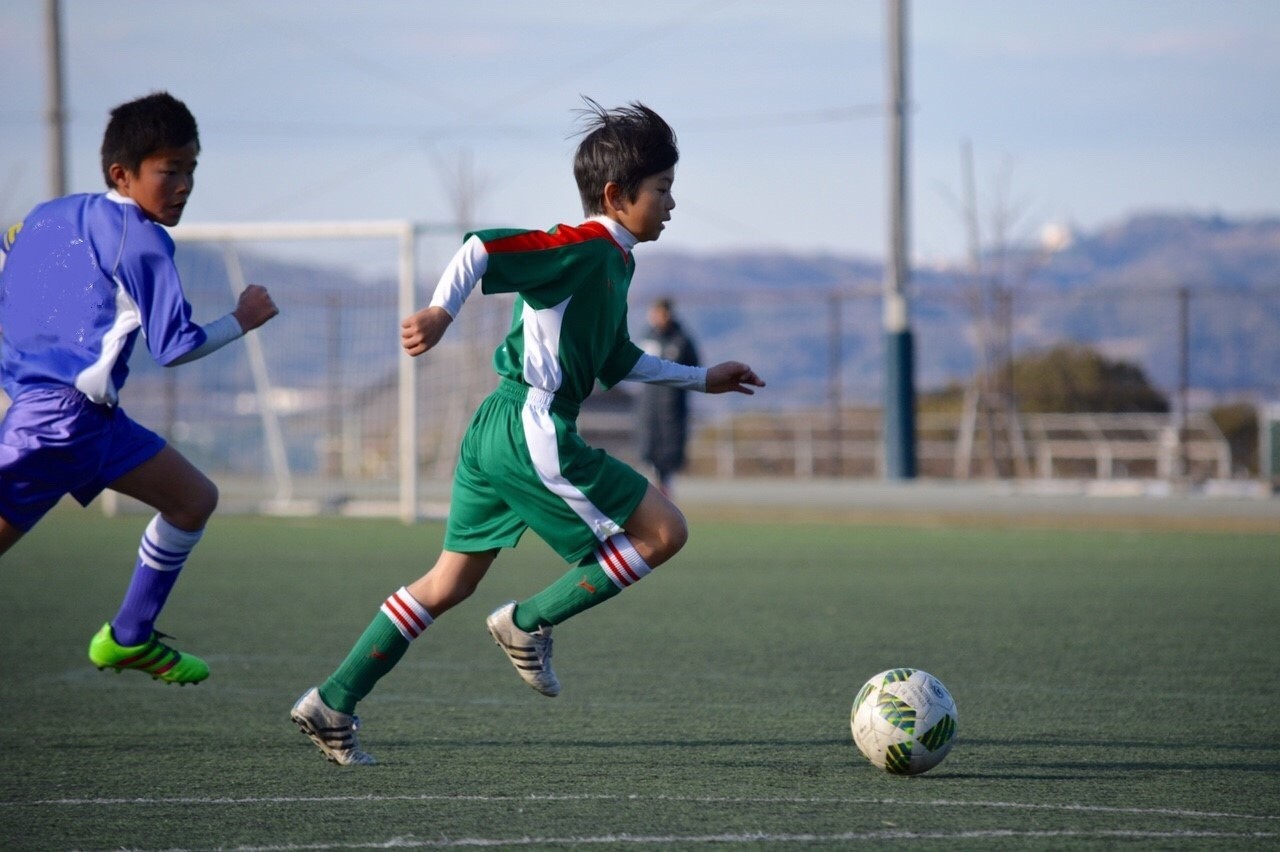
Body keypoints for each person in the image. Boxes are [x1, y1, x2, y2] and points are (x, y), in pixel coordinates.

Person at [290, 99, 764, 765]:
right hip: (531, 426)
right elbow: (480, 247)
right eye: (662, 191)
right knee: (665, 532)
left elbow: (619, 360)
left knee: (448, 583)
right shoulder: (582, 248)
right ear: (616, 195)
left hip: (496, 429)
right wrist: (439, 312)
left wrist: (700, 377)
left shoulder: (615, 263)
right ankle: (527, 622)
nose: (672, 204)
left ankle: (332, 701)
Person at [0, 91, 279, 685]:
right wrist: (243, 318)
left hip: (92, 419)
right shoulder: (144, 241)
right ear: (121, 175)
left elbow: (10, 252)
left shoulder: (50, 215)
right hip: (58, 422)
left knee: (192, 498)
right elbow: (175, 347)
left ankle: (129, 637)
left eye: (190, 170)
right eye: (169, 171)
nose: (182, 185)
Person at [637, 297, 699, 496]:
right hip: (648, 407)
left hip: (673, 409)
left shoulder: (681, 340)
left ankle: (667, 495)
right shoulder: (647, 338)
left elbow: (695, 370)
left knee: (670, 455)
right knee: (649, 452)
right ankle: (650, 496)